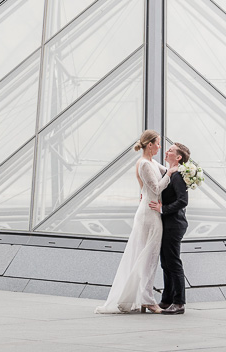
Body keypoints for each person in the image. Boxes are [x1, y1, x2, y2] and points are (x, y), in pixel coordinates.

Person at [95, 129, 170, 314]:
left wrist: (175, 169)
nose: (160, 147)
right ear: (150, 144)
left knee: (146, 255)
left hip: (148, 210)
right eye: (158, 143)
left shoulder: (151, 163)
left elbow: (166, 171)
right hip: (149, 213)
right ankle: (147, 300)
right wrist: (172, 173)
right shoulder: (144, 164)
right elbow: (157, 187)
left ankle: (143, 297)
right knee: (149, 256)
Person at [150, 142, 190, 315]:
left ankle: (179, 303)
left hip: (174, 224)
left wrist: (162, 209)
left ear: (178, 157)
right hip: (168, 223)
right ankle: (167, 300)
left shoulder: (178, 176)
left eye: (171, 150)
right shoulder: (170, 173)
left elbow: (183, 200)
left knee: (173, 263)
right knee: (166, 263)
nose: (167, 151)